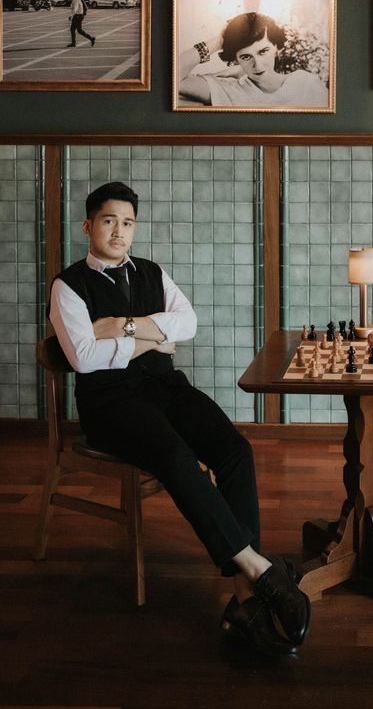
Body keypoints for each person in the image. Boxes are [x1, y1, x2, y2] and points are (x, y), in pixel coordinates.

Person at [48, 182, 311, 656]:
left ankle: (244, 594)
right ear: (88, 226)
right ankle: (260, 571)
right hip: (109, 404)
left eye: (127, 223)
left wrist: (121, 329)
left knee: (235, 450)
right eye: (109, 221)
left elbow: (187, 325)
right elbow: (85, 360)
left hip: (165, 388)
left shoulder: (152, 272)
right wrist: (153, 335)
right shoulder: (68, 286)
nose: (119, 232)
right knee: (174, 454)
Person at [178, 11, 329, 109]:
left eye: (263, 51)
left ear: (276, 46)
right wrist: (219, 41)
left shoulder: (306, 83)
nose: (257, 64)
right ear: (236, 59)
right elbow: (173, 78)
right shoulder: (229, 89)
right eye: (246, 57)